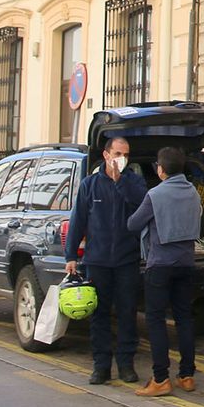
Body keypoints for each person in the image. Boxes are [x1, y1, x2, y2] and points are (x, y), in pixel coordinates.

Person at [64, 133, 148, 385]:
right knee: (99, 315)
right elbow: (78, 220)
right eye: (118, 154)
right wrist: (71, 255)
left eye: (126, 155)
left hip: (126, 260)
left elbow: (142, 205)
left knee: (126, 313)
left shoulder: (134, 182)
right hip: (97, 261)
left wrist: (120, 181)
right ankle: (101, 366)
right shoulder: (90, 185)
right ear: (106, 155)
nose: (122, 159)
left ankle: (126, 364)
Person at [125, 145, 201, 396]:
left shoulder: (155, 195)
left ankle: (160, 379)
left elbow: (134, 223)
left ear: (161, 170)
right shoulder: (193, 192)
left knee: (156, 320)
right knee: (184, 318)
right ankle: (187, 375)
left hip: (160, 264)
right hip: (186, 262)